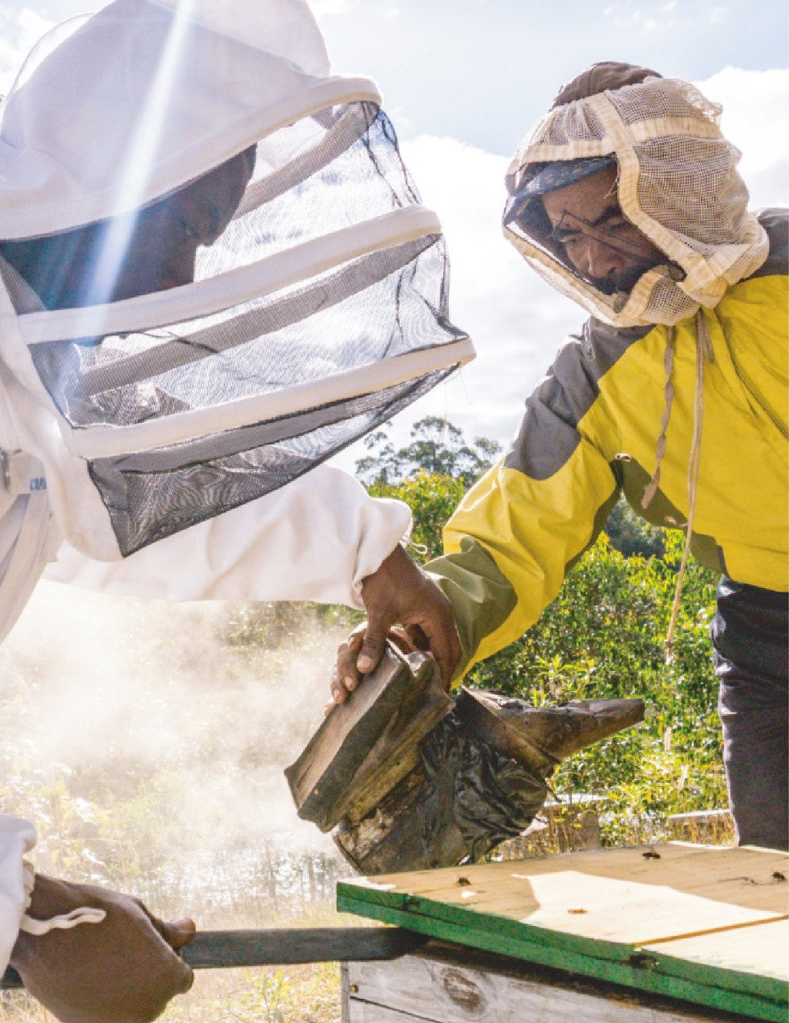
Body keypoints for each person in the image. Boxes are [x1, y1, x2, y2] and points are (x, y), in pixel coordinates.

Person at [0, 2, 469, 1020]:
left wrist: (366, 557)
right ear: (92, 173)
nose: (180, 278)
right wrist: (12, 914)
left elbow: (119, 484)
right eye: (181, 228)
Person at [336, 61, 788, 852]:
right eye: (570, 235)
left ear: (683, 189)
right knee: (775, 886)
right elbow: (513, 538)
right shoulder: (589, 378)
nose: (598, 262)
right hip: (768, 637)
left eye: (615, 220)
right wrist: (425, 613)